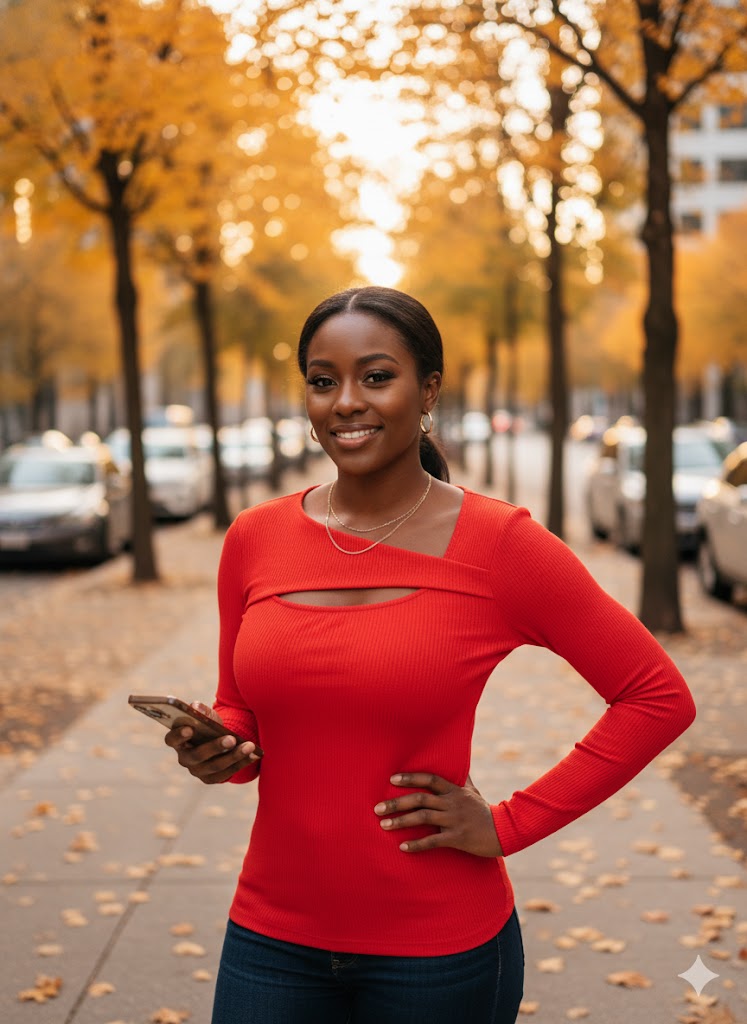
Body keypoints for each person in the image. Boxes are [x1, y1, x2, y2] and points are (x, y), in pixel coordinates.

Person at [164, 286, 696, 1024]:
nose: (346, 401)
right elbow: (243, 717)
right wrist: (221, 747)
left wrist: (508, 824)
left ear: (428, 391)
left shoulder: (499, 544)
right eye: (323, 381)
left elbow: (656, 697)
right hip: (271, 938)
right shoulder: (254, 539)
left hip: (437, 955)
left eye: (375, 376)